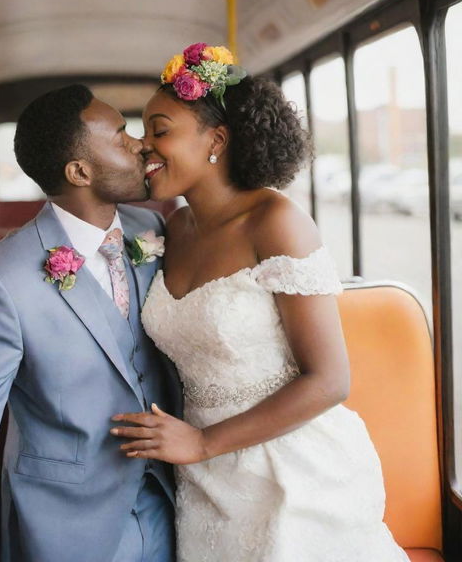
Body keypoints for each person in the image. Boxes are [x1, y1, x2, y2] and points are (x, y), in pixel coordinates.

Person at [111, 44, 410, 561]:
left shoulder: (276, 222)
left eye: (159, 130)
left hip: (290, 470)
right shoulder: (174, 228)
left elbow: (330, 380)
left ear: (216, 141)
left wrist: (202, 444)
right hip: (203, 477)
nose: (143, 146)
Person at [0, 84, 181, 562]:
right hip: (66, 522)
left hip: (172, 506)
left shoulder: (153, 231)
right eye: (121, 136)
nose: (141, 144)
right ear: (79, 171)